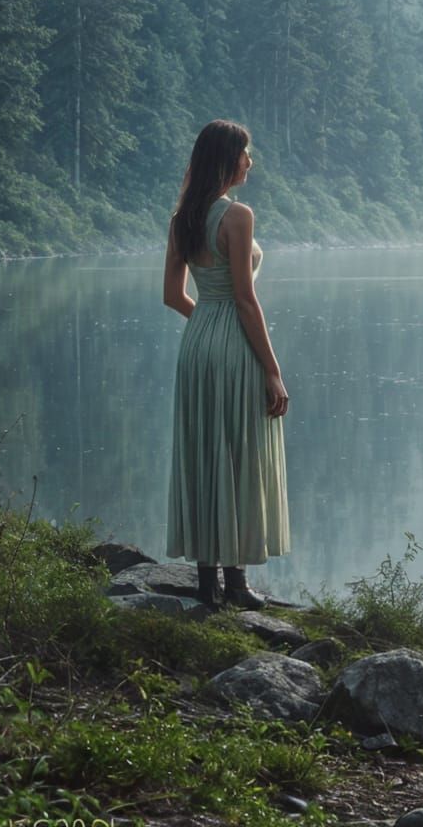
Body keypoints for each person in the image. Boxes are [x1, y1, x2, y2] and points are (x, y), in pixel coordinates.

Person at [162, 119, 290, 609]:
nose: (250, 161)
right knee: (239, 449)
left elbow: (173, 296)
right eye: (244, 153)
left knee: (204, 449)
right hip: (234, 344)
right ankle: (236, 584)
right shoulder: (237, 216)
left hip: (197, 345)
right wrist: (273, 370)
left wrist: (207, 325)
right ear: (226, 159)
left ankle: (206, 586)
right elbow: (245, 299)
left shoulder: (183, 218)